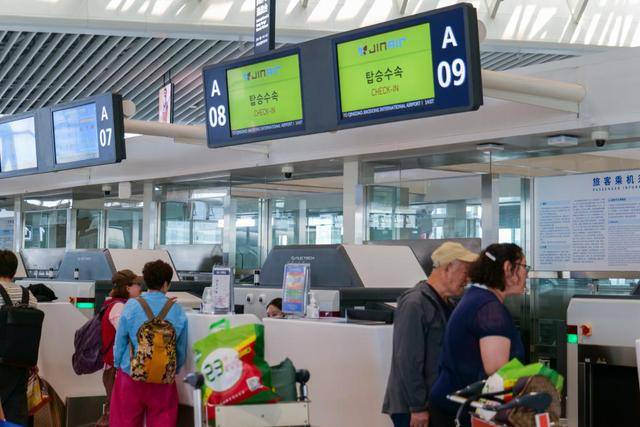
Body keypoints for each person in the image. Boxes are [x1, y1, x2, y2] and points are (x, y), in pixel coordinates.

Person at [429, 243, 528, 427]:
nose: (526, 274)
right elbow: (496, 369)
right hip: (462, 411)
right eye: (524, 267)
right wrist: (531, 380)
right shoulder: (489, 309)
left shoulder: (476, 297)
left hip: (452, 404)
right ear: (508, 268)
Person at [383, 242, 478, 427]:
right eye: (465, 272)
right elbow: (408, 360)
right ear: (448, 268)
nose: (468, 279)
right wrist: (418, 407)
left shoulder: (449, 304)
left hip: (436, 404)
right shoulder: (415, 303)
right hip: (413, 409)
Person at [110, 260, 187, 427]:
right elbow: (181, 348)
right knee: (163, 420)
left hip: (131, 373)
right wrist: (173, 370)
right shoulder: (177, 310)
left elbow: (120, 340)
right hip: (163, 379)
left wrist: (117, 364)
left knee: (125, 421)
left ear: (146, 281)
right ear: (166, 284)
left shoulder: (131, 306)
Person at [96, 269, 143, 427]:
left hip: (113, 368)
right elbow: (129, 335)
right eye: (137, 284)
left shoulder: (115, 304)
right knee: (115, 414)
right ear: (128, 287)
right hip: (115, 369)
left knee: (115, 412)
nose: (140, 288)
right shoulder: (119, 308)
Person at [0, 250, 37, 427]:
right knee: (16, 409)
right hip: (22, 363)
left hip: (0, 361)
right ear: (14, 271)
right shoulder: (29, 296)